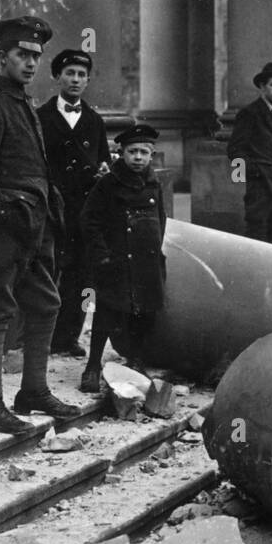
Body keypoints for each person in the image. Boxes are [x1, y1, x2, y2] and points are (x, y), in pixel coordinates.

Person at [0, 16, 79, 434]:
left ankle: (33, 391)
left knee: (47, 303)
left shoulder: (21, 101)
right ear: (3, 55)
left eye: (36, 56)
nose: (30, 63)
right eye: (23, 55)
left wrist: (38, 215)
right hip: (3, 234)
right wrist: (13, 216)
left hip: (33, 227)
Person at [79, 123, 166, 391]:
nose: (138, 158)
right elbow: (89, 220)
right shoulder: (109, 183)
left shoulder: (154, 183)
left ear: (152, 155)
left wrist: (155, 248)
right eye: (132, 152)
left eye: (143, 152)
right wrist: (102, 254)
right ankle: (93, 365)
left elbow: (160, 218)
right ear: (121, 153)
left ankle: (136, 361)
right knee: (105, 312)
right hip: (116, 261)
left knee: (144, 313)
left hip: (146, 261)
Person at [37, 49, 112, 357]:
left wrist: (105, 170)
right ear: (57, 77)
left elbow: (104, 158)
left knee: (83, 276)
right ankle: (41, 336)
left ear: (88, 80)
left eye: (82, 75)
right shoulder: (40, 117)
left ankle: (70, 336)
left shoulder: (94, 120)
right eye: (70, 74)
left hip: (83, 211)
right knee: (47, 272)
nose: (76, 80)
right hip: (51, 208)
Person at [227, 61, 272, 245]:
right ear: (261, 87)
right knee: (256, 237)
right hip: (260, 187)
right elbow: (234, 150)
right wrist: (248, 177)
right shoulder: (249, 113)